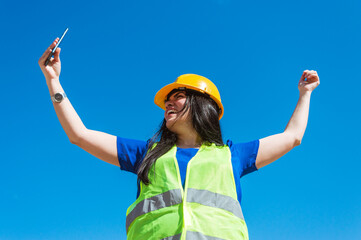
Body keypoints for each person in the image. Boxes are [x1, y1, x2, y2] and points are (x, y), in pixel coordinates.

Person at [39, 38, 320, 240]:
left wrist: (304, 94)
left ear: (202, 105)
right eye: (167, 101)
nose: (168, 105)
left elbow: (292, 137)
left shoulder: (232, 156)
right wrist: (54, 81)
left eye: (178, 97)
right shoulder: (146, 153)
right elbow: (79, 135)